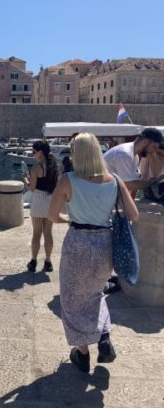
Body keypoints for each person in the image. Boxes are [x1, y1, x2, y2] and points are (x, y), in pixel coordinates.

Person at [47, 133, 139, 374]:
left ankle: (83, 353)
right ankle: (104, 337)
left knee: (72, 300)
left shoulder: (68, 180)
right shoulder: (115, 180)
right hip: (105, 245)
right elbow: (133, 215)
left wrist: (69, 218)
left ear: (77, 154)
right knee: (96, 294)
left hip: (78, 244)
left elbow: (52, 216)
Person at [23, 141, 58, 273]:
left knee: (36, 234)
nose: (32, 153)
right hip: (50, 200)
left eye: (34, 151)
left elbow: (32, 188)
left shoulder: (36, 168)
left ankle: (33, 261)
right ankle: (48, 262)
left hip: (38, 200)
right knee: (48, 233)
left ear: (41, 152)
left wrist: (25, 179)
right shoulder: (54, 165)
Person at [103, 127, 164, 193]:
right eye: (154, 147)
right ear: (145, 142)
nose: (154, 151)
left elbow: (135, 182)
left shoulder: (134, 156)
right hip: (102, 197)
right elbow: (129, 185)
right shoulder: (125, 154)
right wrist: (157, 180)